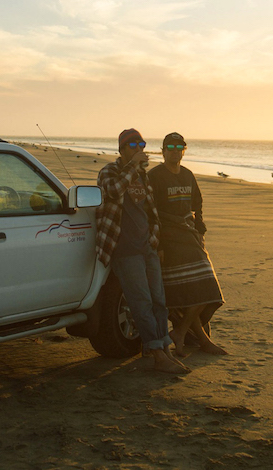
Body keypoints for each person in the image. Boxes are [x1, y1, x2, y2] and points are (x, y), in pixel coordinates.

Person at [96, 128, 189, 374]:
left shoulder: (141, 176)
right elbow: (113, 190)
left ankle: (164, 349)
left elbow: (151, 210)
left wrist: (154, 239)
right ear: (122, 149)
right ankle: (157, 355)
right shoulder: (110, 171)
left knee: (160, 301)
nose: (139, 149)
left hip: (146, 247)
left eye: (142, 144)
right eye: (133, 145)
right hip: (124, 249)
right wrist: (132, 167)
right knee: (141, 302)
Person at [148, 132, 227, 356]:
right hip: (169, 239)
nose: (175, 150)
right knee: (187, 294)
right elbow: (150, 212)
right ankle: (198, 339)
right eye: (170, 147)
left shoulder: (188, 175)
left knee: (208, 290)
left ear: (184, 150)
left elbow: (198, 204)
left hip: (189, 234)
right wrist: (160, 244)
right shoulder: (154, 176)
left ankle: (181, 332)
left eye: (179, 146)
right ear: (163, 151)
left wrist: (200, 229)